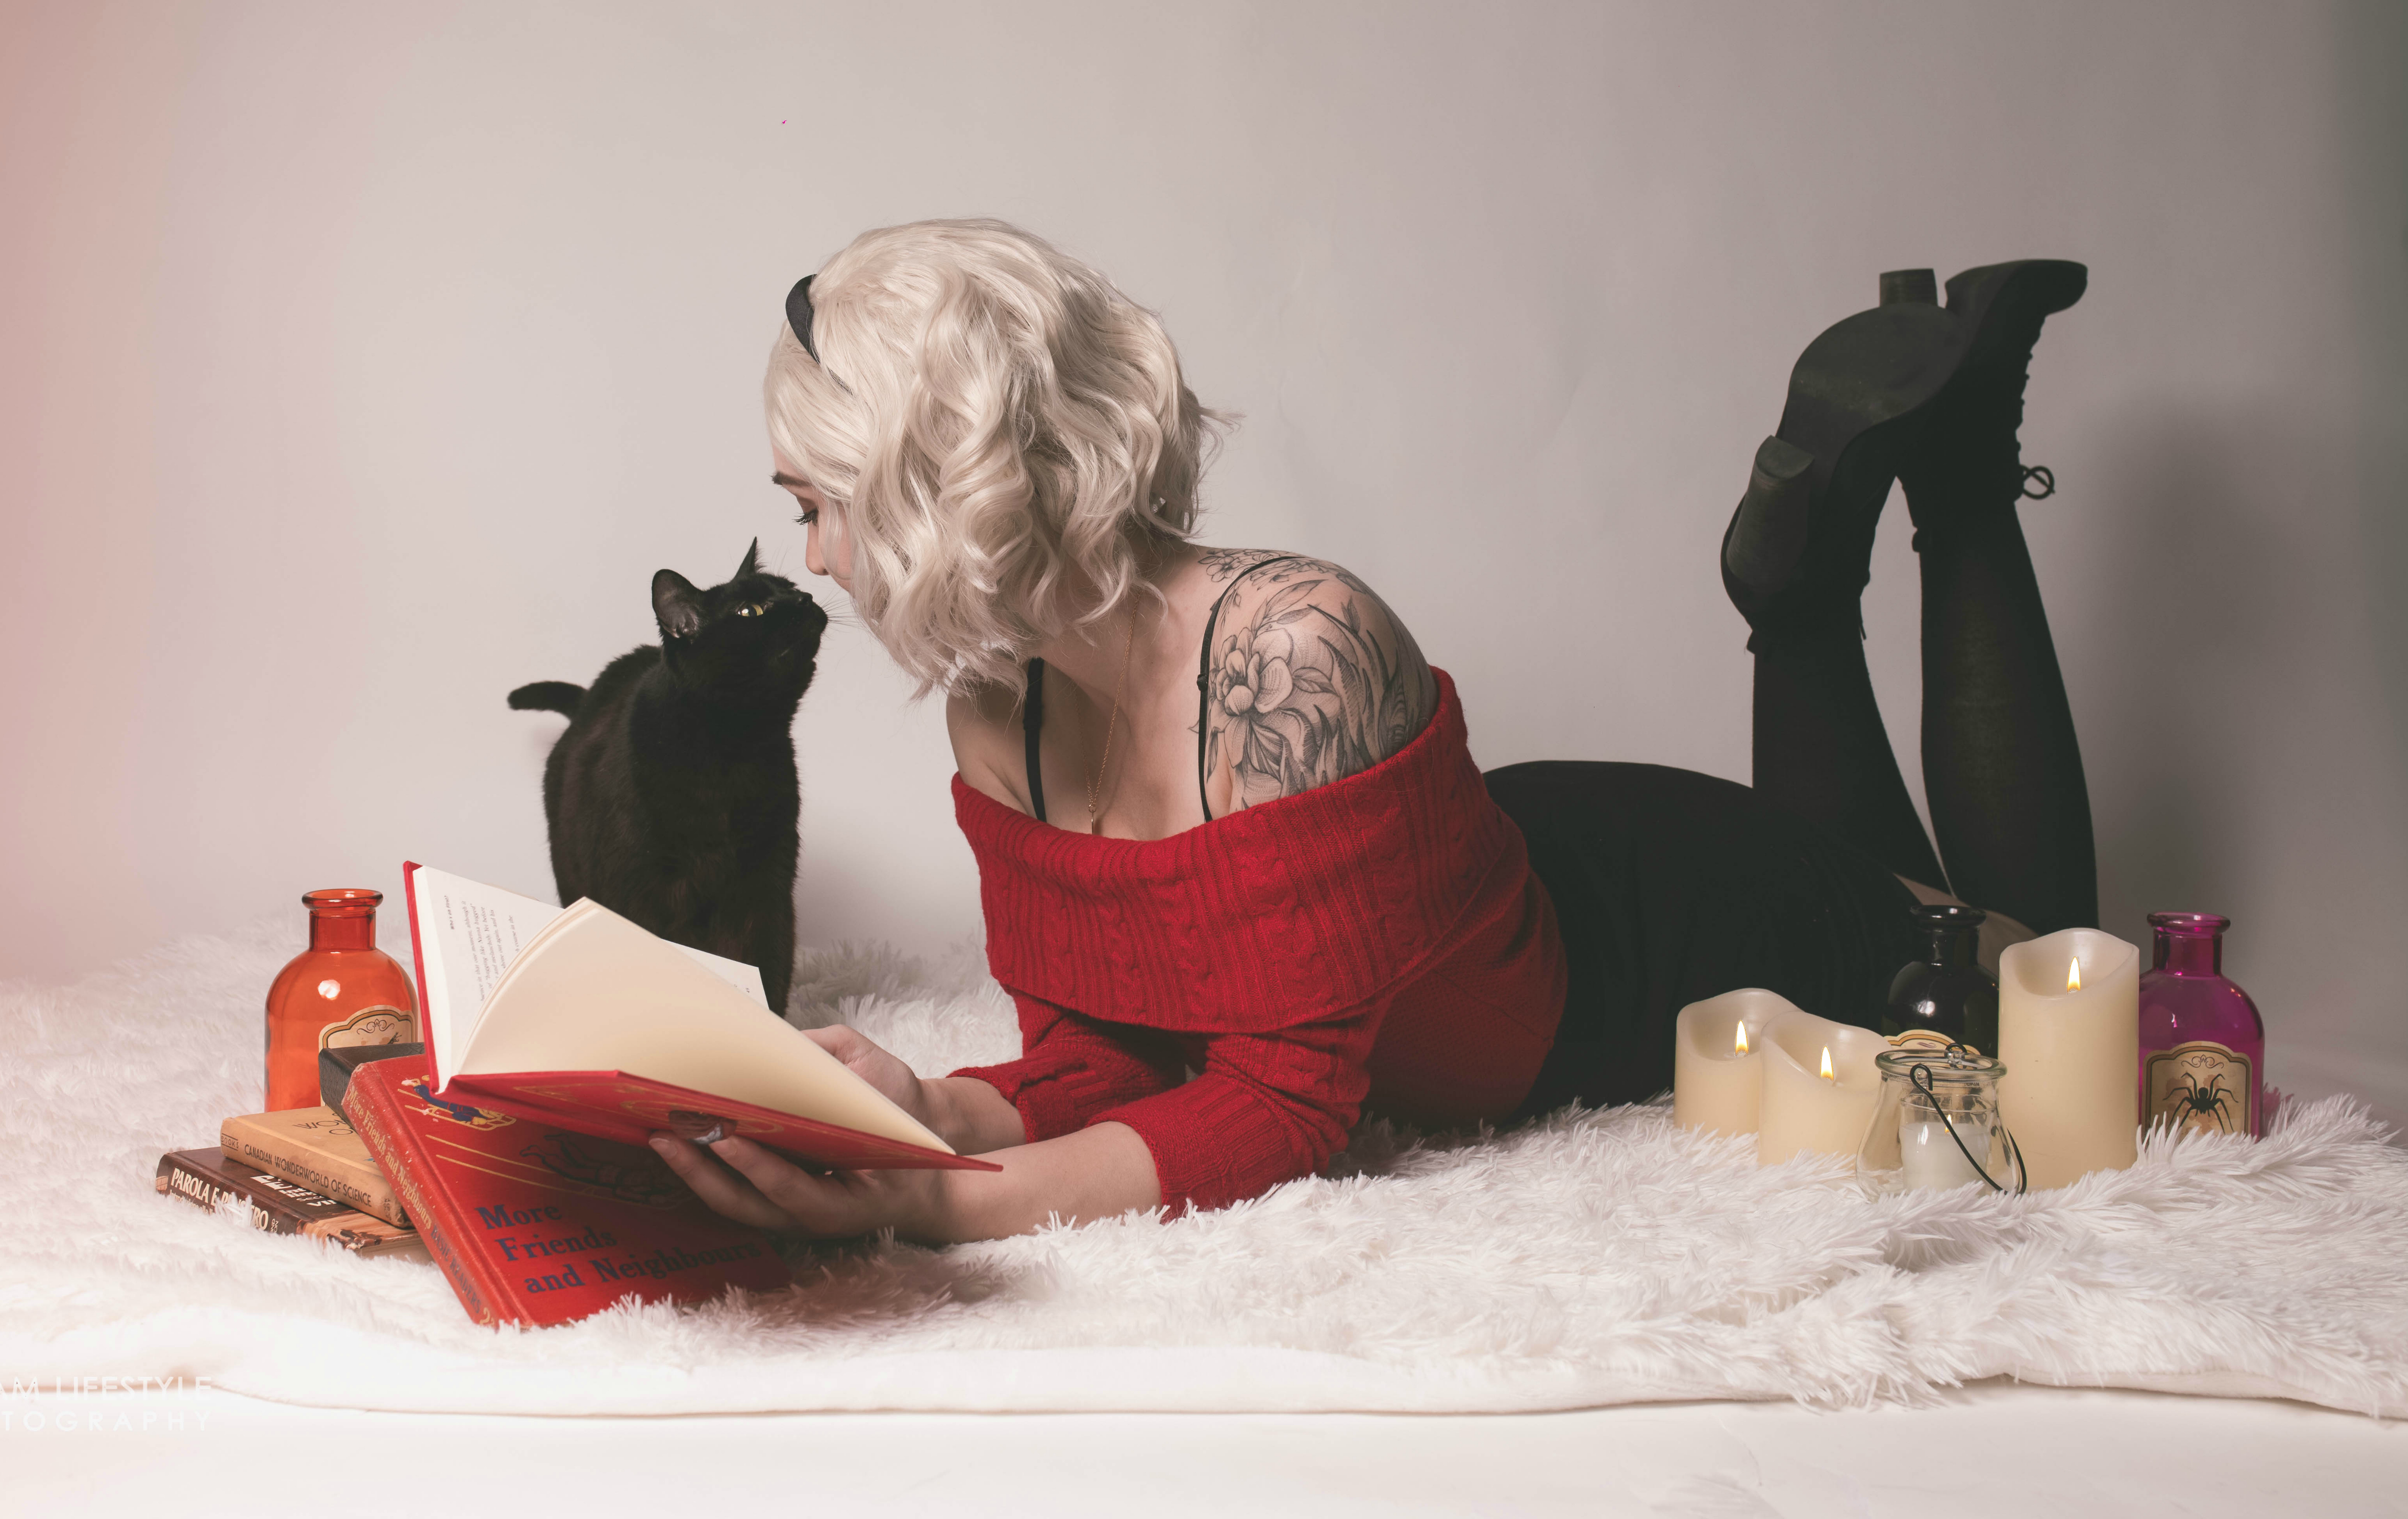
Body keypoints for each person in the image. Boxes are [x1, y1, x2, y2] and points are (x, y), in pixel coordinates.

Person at [649, 220, 2096, 1243]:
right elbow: (1112, 1060)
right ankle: (1806, 583)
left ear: (936, 481)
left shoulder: (1299, 646)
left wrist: (938, 1205)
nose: (815, 559)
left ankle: (1948, 484)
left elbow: (1285, 1108)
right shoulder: (996, 706)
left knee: (2042, 960)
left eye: (818, 506)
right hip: (1451, 891)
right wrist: (932, 1111)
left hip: (1666, 918)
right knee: (1919, 886)